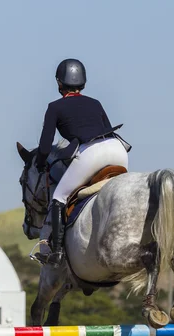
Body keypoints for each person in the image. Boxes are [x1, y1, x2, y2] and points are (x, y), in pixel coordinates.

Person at [35, 58, 131, 266]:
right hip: (118, 149)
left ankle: (57, 253)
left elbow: (44, 147)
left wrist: (40, 163)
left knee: (59, 197)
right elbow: (103, 129)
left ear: (59, 83)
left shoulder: (55, 107)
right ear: (83, 82)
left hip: (92, 152)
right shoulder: (95, 103)